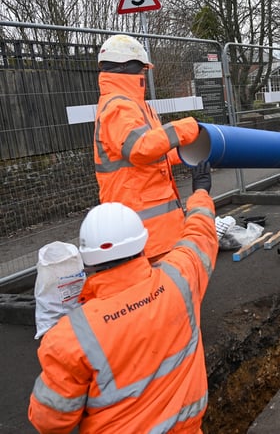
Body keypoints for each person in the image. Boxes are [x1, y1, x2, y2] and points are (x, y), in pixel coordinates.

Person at [29, 161, 217, 434]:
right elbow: (200, 235)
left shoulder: (70, 337)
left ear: (88, 260)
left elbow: (49, 421)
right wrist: (201, 191)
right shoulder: (180, 279)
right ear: (143, 244)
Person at [93, 34, 201, 261]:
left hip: (154, 228)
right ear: (128, 68)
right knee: (162, 292)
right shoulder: (119, 106)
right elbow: (138, 149)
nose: (144, 74)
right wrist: (185, 128)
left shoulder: (136, 105)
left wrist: (184, 155)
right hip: (140, 229)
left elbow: (152, 151)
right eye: (142, 69)